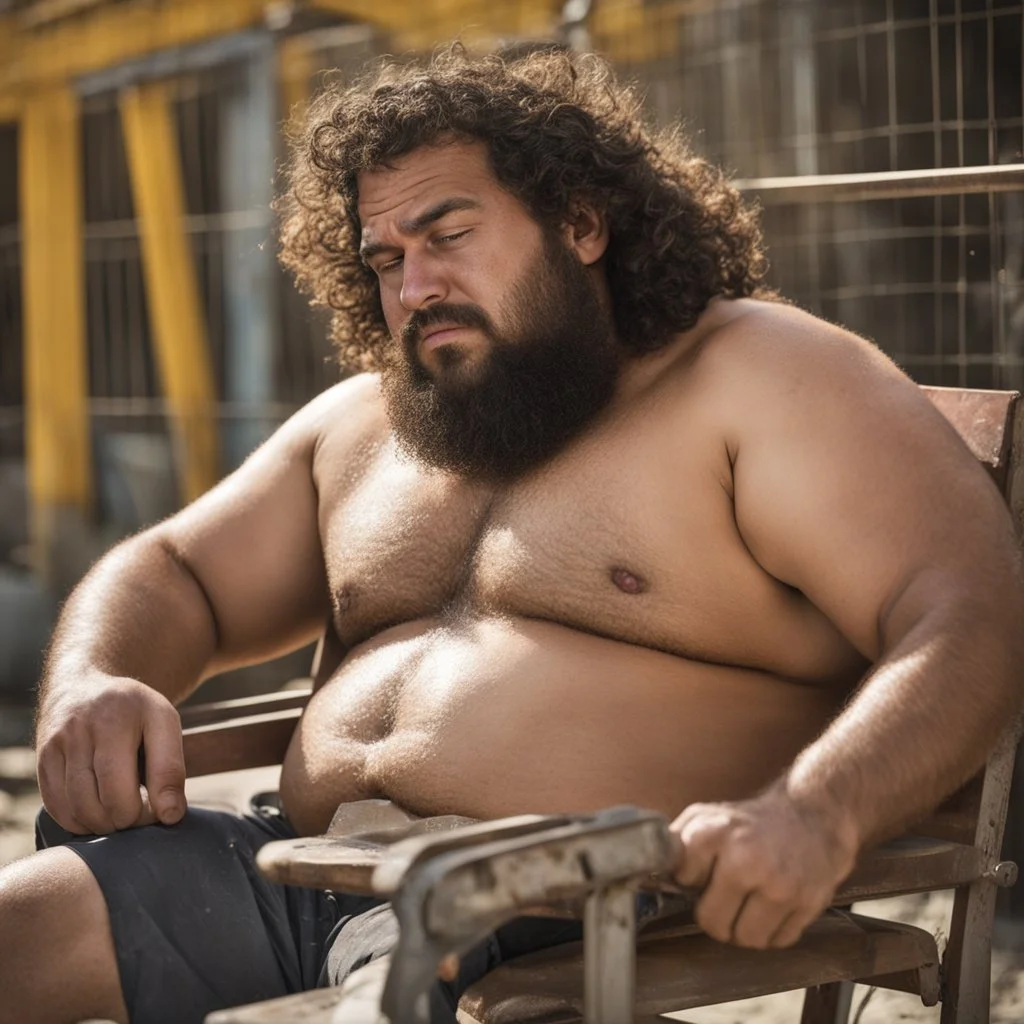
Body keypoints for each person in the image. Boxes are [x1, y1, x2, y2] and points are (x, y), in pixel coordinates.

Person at [2, 43, 1022, 1024]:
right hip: (283, 874)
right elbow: (177, 569)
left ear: (580, 224)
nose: (412, 288)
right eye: (387, 258)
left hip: (560, 917)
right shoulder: (371, 420)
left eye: (447, 236)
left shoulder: (757, 379)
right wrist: (94, 675)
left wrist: (816, 810)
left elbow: (970, 607)